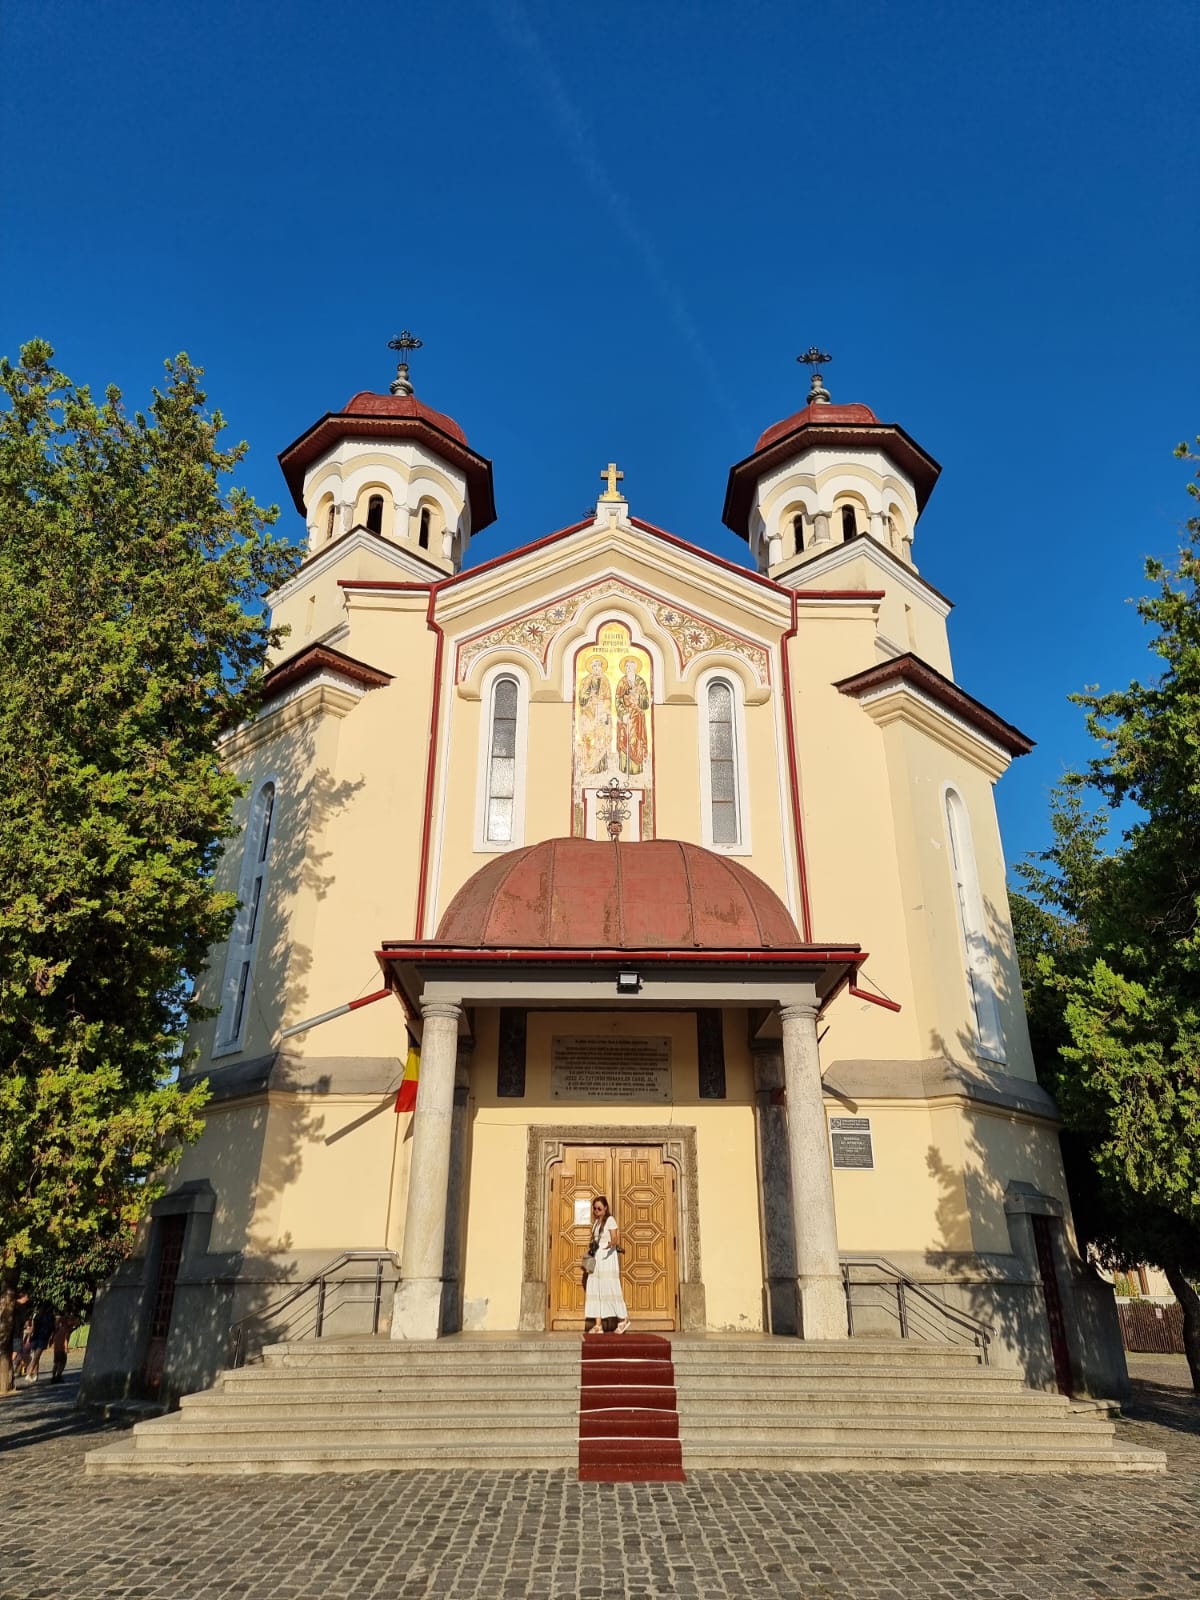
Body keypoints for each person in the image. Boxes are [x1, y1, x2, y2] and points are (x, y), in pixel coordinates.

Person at [583, 1195, 630, 1335]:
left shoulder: (610, 1220)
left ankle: (623, 1319)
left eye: (599, 1208)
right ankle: (598, 1325)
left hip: (607, 1259)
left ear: (605, 1208)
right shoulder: (597, 1223)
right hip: (597, 1260)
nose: (597, 1211)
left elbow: (615, 1237)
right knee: (596, 1289)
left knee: (610, 1288)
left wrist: (613, 1243)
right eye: (595, 1208)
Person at [26, 1305, 55, 1382]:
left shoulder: (39, 1316)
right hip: (41, 1338)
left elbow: (33, 1327)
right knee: (36, 1357)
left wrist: (29, 1337)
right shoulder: (48, 1317)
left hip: (37, 1337)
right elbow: (52, 1329)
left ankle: (33, 1374)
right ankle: (32, 1373)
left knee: (36, 1356)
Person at [50, 1312, 77, 1383]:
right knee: (63, 1363)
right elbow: (65, 1340)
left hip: (56, 1348)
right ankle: (59, 1375)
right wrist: (66, 1348)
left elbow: (55, 1338)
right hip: (61, 1348)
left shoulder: (59, 1329)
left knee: (56, 1363)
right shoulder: (66, 1330)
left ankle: (53, 1377)